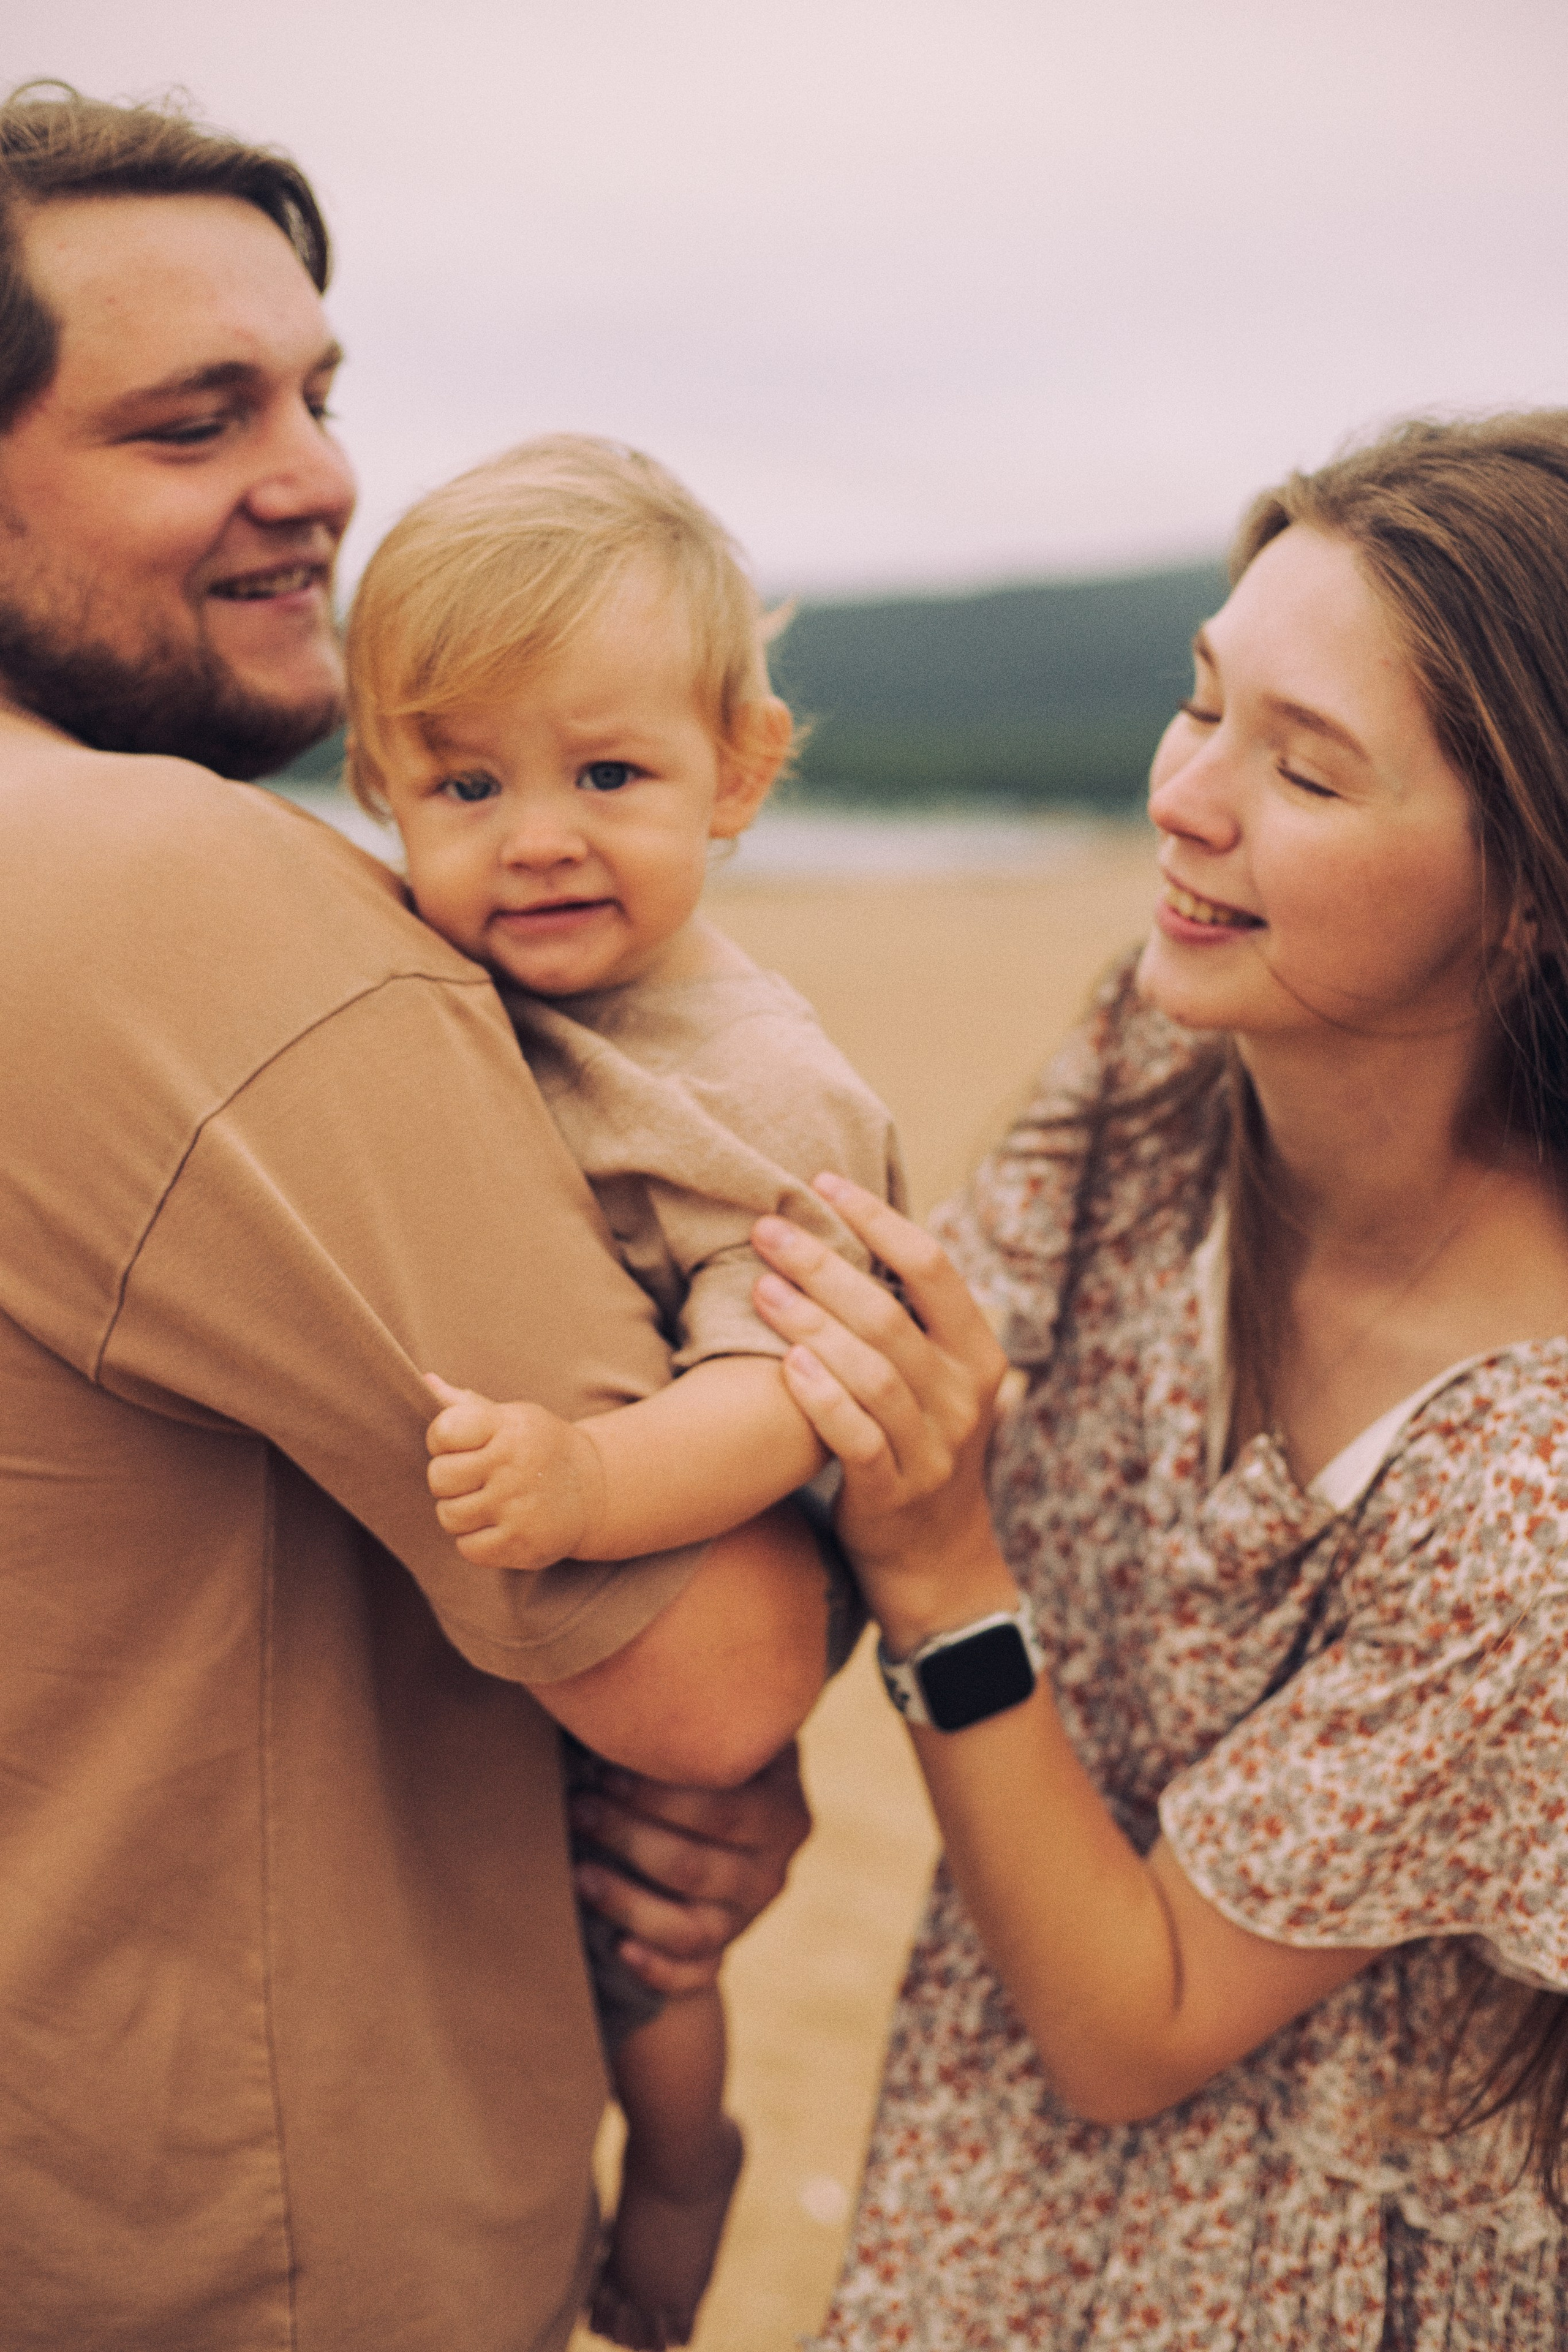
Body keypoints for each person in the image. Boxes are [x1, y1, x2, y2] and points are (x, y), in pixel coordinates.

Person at [0, 84, 827, 2352]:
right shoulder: (168, 896)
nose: (320, 479)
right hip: (253, 2253)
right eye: (196, 422)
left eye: (320, 395)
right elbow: (706, 1667)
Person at [746, 413, 1568, 2347]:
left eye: (1305, 768)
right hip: (986, 2215)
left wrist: (945, 1576)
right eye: (1203, 705)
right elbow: (910, 1370)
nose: (1184, 799)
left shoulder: (1533, 1494)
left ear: (1528, 889)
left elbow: (1138, 2023)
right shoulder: (1162, 1043)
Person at [342, 431, 902, 2346]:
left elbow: (787, 1389)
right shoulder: (423, 974)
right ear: (378, 793)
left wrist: (591, 1489)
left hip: (700, 1550)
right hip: (533, 1611)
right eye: (467, 783)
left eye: (609, 774)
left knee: (643, 1949)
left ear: (738, 773)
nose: (540, 835)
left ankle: (683, 2184)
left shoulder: (753, 1081)